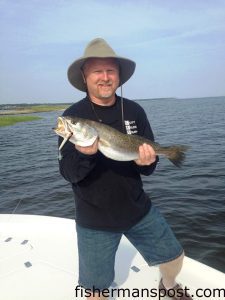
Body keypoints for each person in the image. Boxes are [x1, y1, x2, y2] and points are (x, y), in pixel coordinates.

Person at [58, 38, 192, 300]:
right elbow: (69, 174)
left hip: (137, 208)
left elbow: (147, 169)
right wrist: (85, 155)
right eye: (97, 70)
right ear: (85, 76)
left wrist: (148, 161)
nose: (105, 77)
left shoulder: (134, 110)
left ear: (119, 76)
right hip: (94, 218)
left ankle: (168, 285)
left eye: (111, 70)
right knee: (95, 292)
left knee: (175, 257)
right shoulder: (73, 117)